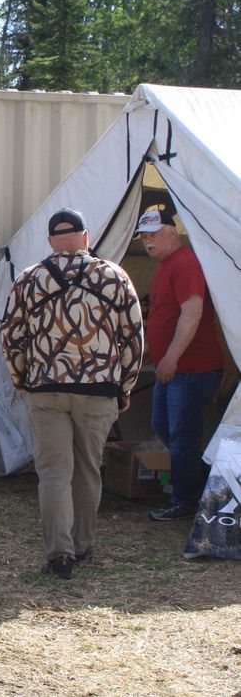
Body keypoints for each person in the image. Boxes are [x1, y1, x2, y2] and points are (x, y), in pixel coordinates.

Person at [0, 208, 143, 580]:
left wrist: (21, 378)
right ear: (86, 237)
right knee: (87, 470)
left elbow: (10, 337)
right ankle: (82, 546)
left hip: (45, 389)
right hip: (98, 390)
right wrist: (124, 386)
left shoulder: (29, 279)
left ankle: (58, 555)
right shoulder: (114, 276)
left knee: (52, 474)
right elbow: (133, 338)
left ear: (50, 242)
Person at [137, 205, 224, 522]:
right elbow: (166, 314)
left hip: (190, 370)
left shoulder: (185, 263)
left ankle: (186, 500)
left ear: (172, 232)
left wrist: (170, 357)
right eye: (144, 237)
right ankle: (196, 488)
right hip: (175, 369)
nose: (148, 242)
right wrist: (154, 351)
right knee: (169, 430)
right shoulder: (166, 264)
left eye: (154, 235)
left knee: (182, 435)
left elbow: (193, 312)